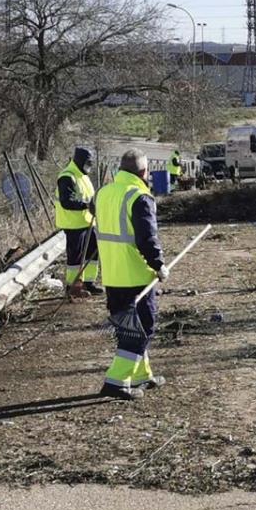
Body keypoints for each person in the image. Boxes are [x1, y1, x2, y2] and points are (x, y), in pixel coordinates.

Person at [94, 149, 168, 401]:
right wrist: (158, 265)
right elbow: (147, 238)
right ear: (143, 172)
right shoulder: (139, 197)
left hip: (112, 275)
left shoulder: (103, 194)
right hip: (136, 276)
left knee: (130, 328)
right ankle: (116, 381)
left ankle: (141, 375)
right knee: (141, 330)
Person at [55, 147, 101, 298]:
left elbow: (89, 197)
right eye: (88, 163)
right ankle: (73, 287)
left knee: (92, 254)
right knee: (75, 258)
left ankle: (89, 283)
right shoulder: (67, 177)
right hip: (73, 225)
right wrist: (86, 205)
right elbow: (66, 202)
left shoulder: (83, 176)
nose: (89, 166)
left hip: (88, 223)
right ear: (80, 161)